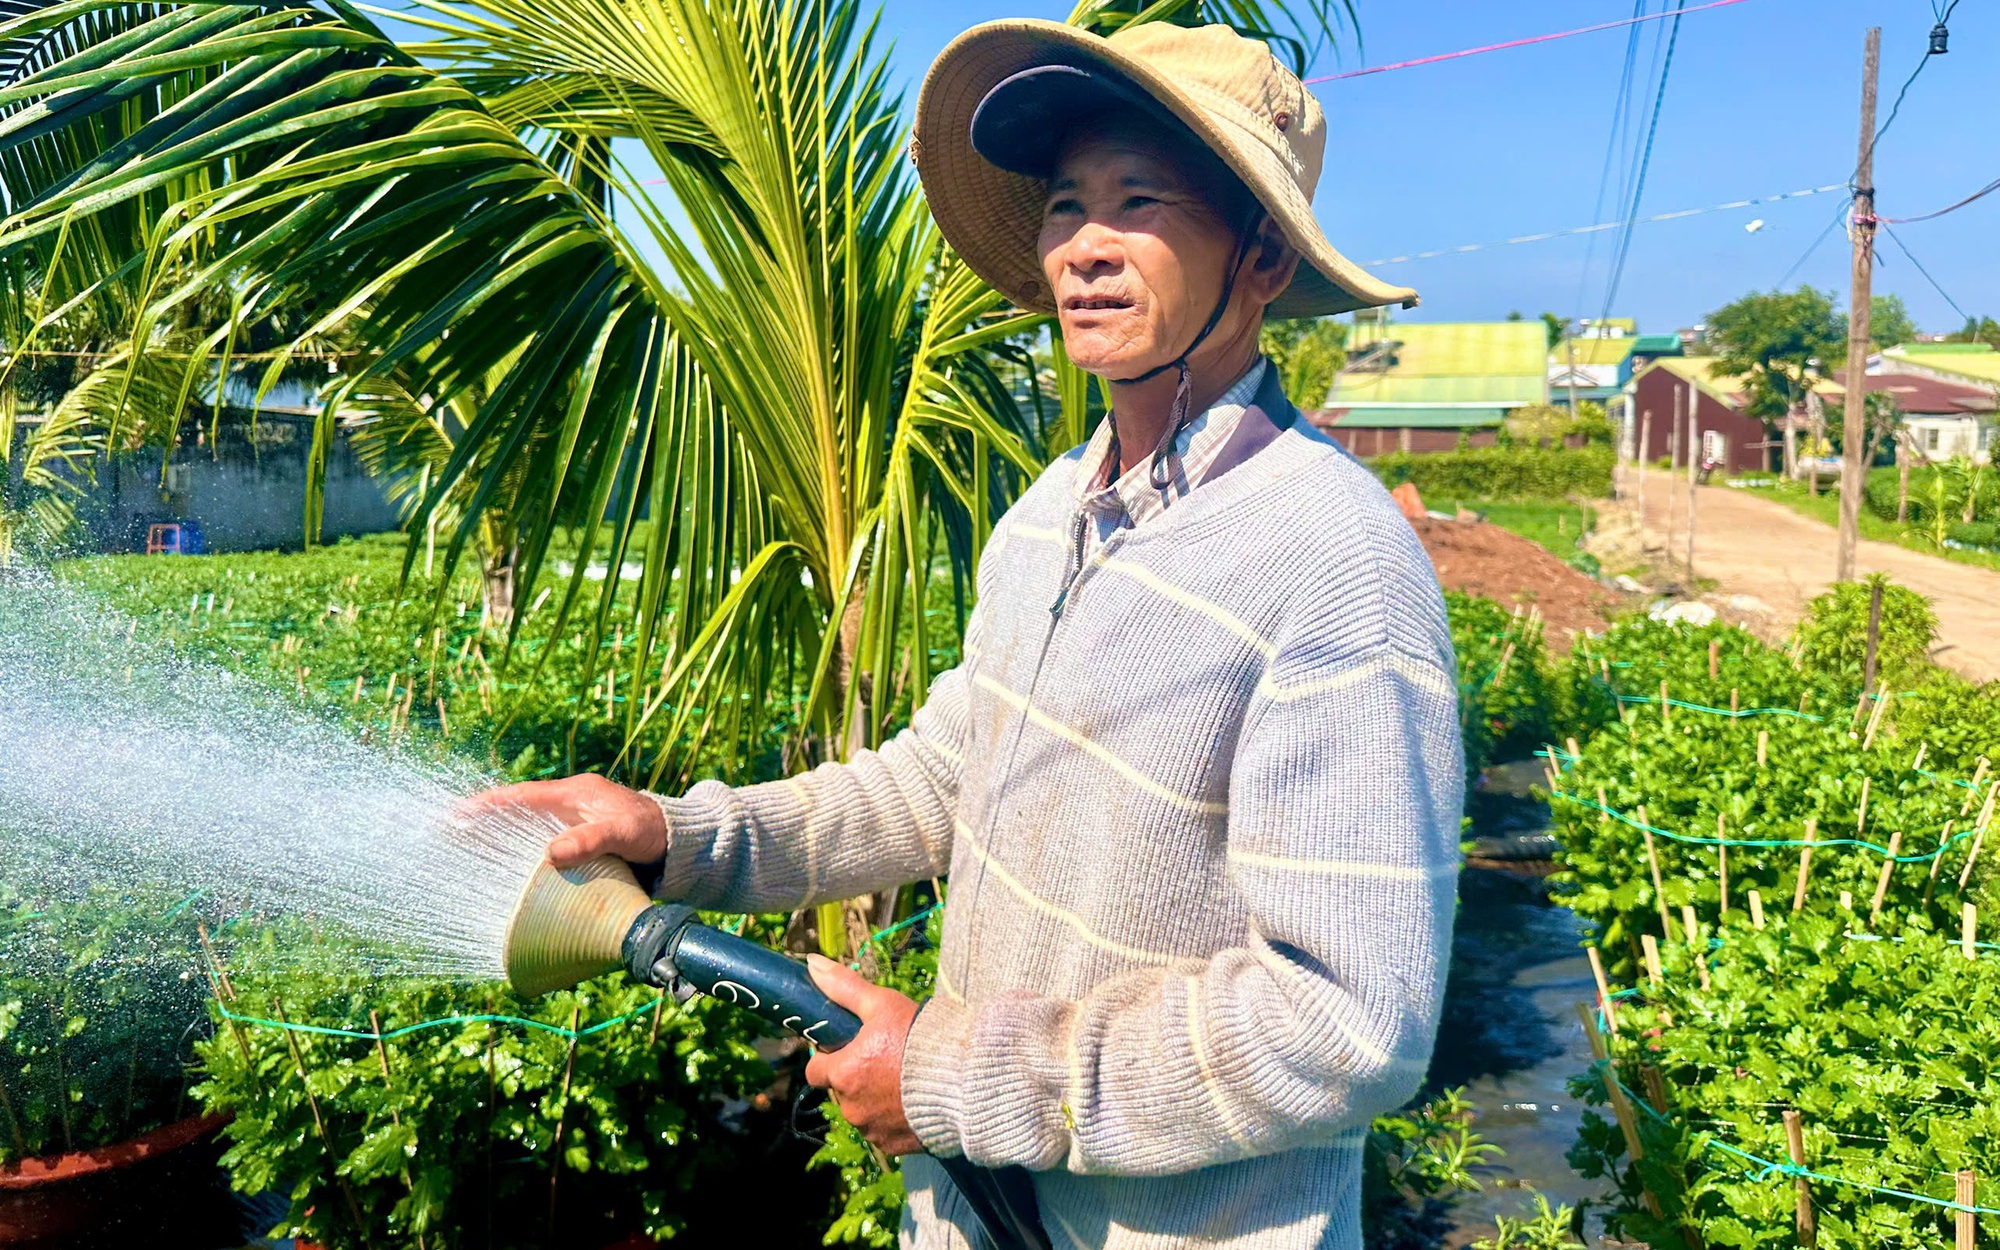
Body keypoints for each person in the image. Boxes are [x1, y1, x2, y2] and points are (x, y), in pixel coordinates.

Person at [477, 19, 1461, 1250]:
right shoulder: (1053, 515)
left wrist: (955, 1075)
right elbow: (944, 779)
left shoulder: (1335, 560)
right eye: (1062, 206)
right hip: (969, 1214)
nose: (1084, 249)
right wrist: (681, 836)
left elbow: (1348, 1020)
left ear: (1258, 253)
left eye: (1137, 200)